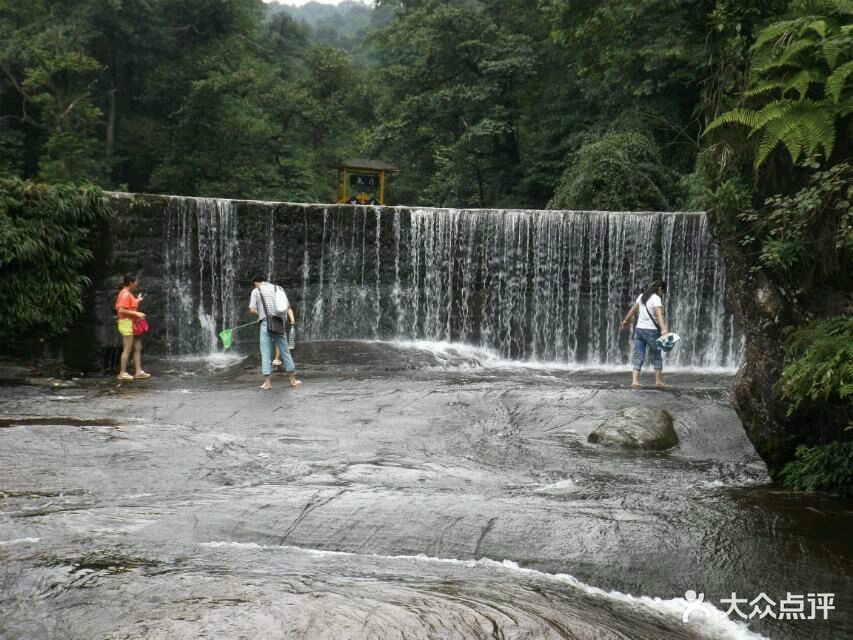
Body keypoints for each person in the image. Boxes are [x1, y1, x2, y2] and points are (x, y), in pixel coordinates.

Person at [248, 276, 300, 390]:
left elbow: (251, 309)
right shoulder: (279, 288)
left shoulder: (256, 291)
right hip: (279, 324)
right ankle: (292, 380)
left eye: (254, 284)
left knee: (265, 353)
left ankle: (267, 383)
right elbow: (286, 307)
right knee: (285, 352)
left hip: (266, 324)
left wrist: (261, 314)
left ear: (257, 283)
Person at [620, 280, 668, 387]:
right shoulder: (656, 298)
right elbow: (659, 315)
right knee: (657, 356)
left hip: (639, 330)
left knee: (638, 356)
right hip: (651, 331)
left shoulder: (642, 296)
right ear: (659, 289)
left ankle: (635, 381)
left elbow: (633, 310)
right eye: (663, 291)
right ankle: (658, 382)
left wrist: (626, 321)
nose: (662, 294)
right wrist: (663, 329)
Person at [115, 274, 151, 381]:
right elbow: (121, 310)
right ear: (131, 283)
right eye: (135, 282)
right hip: (127, 323)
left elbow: (129, 306)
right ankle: (122, 373)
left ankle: (138, 371)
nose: (137, 283)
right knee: (127, 349)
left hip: (132, 323)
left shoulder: (127, 294)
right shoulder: (125, 294)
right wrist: (137, 314)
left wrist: (137, 300)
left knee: (137, 347)